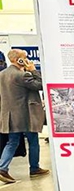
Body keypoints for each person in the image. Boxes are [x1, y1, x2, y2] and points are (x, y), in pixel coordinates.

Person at [0, 49, 49, 183]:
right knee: (33, 141)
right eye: (25, 57)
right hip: (25, 115)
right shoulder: (22, 75)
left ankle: (2, 167)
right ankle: (34, 168)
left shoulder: (2, 74)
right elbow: (40, 85)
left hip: (9, 115)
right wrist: (33, 70)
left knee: (12, 142)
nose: (27, 60)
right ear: (18, 60)